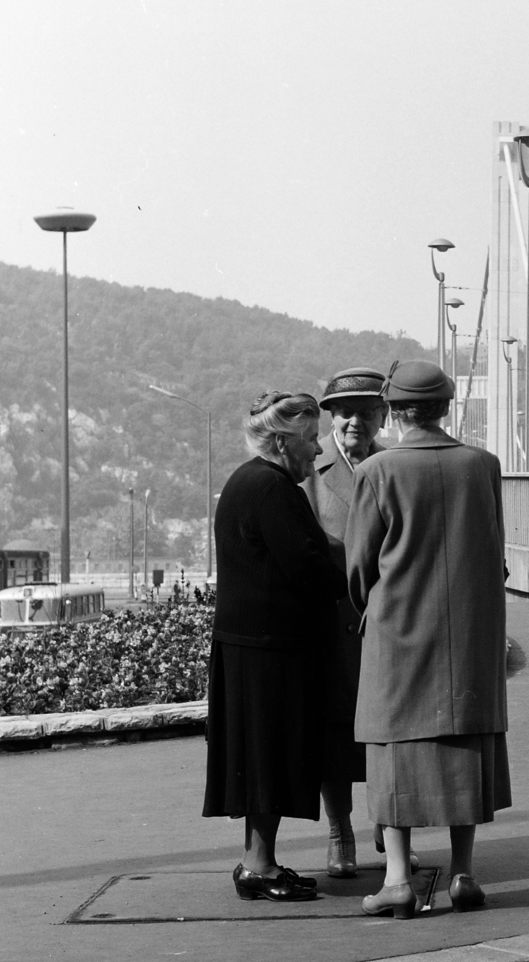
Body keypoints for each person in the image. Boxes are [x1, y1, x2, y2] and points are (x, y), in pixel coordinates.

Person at [346, 360, 510, 919]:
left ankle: (397, 879)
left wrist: (377, 609)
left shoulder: (377, 470)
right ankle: (463, 873)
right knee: (464, 743)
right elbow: (494, 551)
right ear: (446, 407)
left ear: (393, 411)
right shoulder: (483, 465)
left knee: (393, 749)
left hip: (397, 629)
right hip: (469, 633)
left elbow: (358, 568)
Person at [203, 389, 345, 904]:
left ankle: (258, 862)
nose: (318, 450)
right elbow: (308, 568)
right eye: (311, 439)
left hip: (254, 647)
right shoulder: (272, 488)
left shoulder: (250, 480)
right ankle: (258, 867)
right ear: (284, 443)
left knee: (262, 759)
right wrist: (358, 577)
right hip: (270, 652)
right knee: (271, 759)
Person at [304, 367, 389, 878]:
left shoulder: (395, 464)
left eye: (367, 412)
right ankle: (340, 833)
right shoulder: (309, 468)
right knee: (335, 731)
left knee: (388, 731)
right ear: (332, 416)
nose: (356, 421)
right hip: (333, 623)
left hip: (387, 622)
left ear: (383, 415)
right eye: (346, 412)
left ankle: (390, 828)